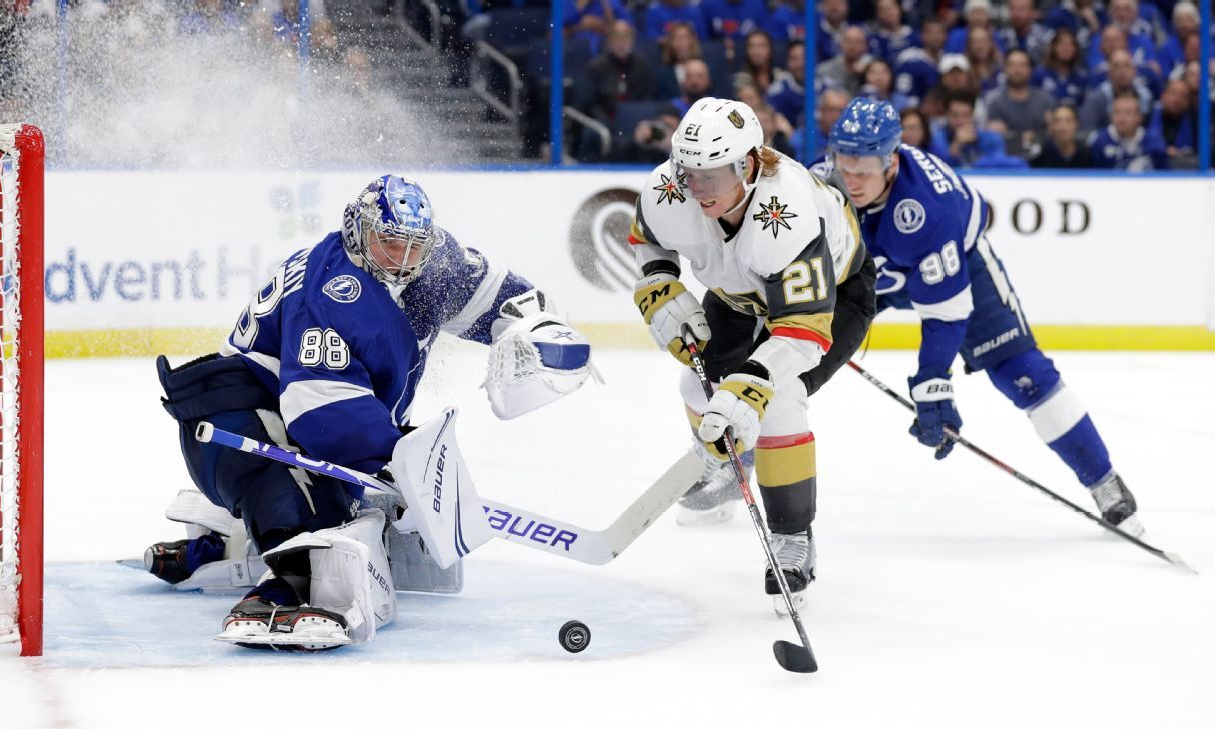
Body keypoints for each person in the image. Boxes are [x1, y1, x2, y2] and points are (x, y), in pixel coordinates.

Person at [145, 176, 593, 650]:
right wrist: (393, 461)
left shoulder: (434, 263)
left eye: (413, 247)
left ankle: (223, 546)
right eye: (389, 244)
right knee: (325, 513)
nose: (401, 260)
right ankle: (282, 593)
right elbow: (321, 415)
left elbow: (496, 295)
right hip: (232, 424)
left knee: (357, 501)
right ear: (359, 233)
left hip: (289, 419)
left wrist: (538, 326)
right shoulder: (333, 290)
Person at [820, 99, 1143, 537]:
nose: (852, 181)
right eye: (845, 165)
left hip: (960, 268)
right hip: (865, 274)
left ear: (891, 161)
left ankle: (1104, 480)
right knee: (792, 352)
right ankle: (737, 456)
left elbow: (945, 314)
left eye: (865, 170)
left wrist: (933, 385)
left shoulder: (930, 208)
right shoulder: (817, 183)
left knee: (1023, 373)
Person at [627, 98, 875, 600]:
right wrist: (658, 282)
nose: (695, 188)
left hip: (834, 295)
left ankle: (792, 537)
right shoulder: (670, 188)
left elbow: (803, 333)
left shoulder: (787, 212)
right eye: (688, 171)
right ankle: (723, 461)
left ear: (748, 165)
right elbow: (647, 237)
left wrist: (753, 384)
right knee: (697, 387)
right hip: (738, 294)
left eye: (711, 175)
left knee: (780, 402)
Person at [984, 48, 1057, 153]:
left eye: (1022, 65)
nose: (1017, 70)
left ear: (1030, 69)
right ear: (1005, 69)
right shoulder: (996, 103)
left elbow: (1054, 135)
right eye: (1012, 65)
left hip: (1043, 159)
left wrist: (1051, 128)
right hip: (1008, 159)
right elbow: (995, 139)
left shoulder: (1046, 100)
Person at [1087, 90, 1168, 170]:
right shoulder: (1100, 141)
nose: (1121, 118)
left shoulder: (1154, 142)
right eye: (1117, 112)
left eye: (1128, 113)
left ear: (1139, 116)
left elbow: (1165, 176)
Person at [1029, 103, 1095, 168]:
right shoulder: (1040, 153)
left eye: (1068, 121)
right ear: (1051, 125)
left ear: (1077, 124)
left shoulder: (1086, 153)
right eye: (1057, 121)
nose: (1063, 127)